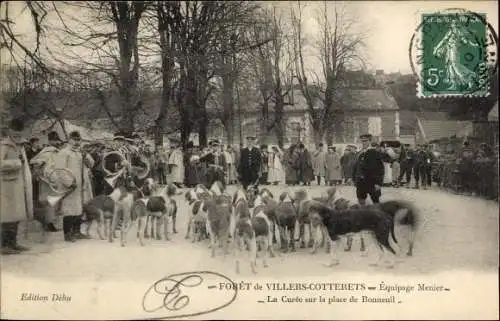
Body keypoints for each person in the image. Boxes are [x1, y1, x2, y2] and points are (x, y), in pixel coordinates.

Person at [1, 118, 34, 255]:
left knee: (16, 216)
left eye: (19, 133)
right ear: (9, 132)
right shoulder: (4, 146)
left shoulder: (20, 146)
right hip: (7, 187)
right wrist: (16, 163)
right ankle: (4, 245)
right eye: (14, 133)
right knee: (7, 216)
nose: (17, 136)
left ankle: (13, 243)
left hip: (18, 186)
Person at [54, 131, 95, 242]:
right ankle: (67, 233)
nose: (77, 142)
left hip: (82, 185)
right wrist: (69, 182)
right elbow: (60, 170)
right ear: (69, 140)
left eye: (78, 140)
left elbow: (92, 164)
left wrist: (86, 155)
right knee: (69, 210)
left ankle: (77, 231)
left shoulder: (81, 152)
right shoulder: (64, 152)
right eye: (74, 140)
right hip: (71, 186)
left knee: (80, 209)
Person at [29, 131, 65, 232]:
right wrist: (41, 171)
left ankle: (51, 222)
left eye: (57, 141)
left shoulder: (56, 152)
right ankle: (49, 223)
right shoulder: (46, 152)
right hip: (48, 180)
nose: (56, 143)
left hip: (55, 179)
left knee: (54, 201)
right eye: (54, 141)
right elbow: (34, 162)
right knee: (50, 202)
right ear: (50, 141)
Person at [352, 134, 385, 204]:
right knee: (361, 202)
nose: (364, 143)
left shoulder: (374, 153)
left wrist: (378, 183)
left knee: (376, 202)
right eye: (362, 141)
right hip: (361, 182)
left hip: (371, 181)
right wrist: (354, 179)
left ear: (370, 141)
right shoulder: (360, 154)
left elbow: (380, 169)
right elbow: (356, 167)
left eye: (365, 141)